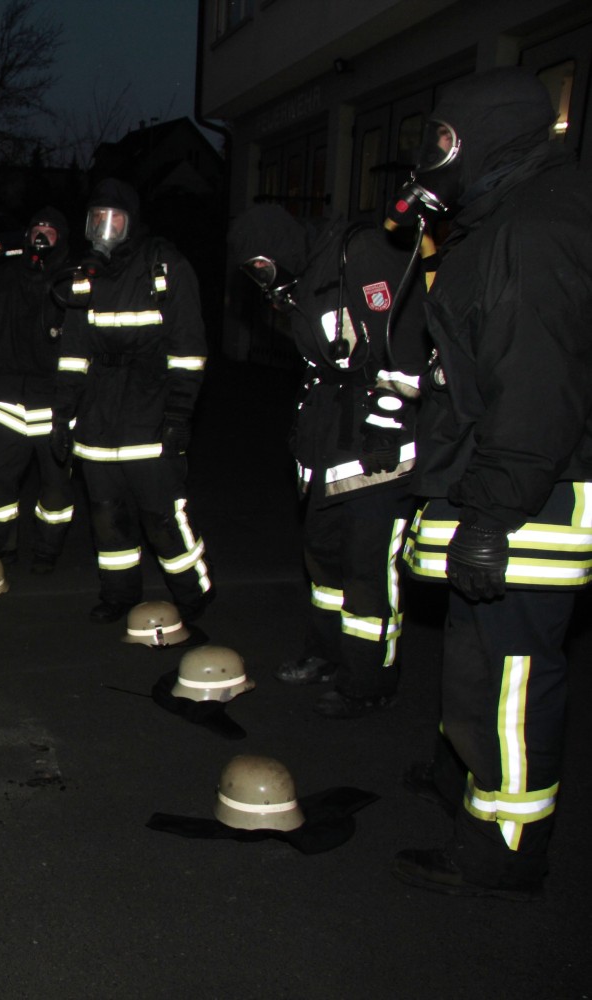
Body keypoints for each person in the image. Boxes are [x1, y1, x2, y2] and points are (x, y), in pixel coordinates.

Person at [390, 67, 592, 899]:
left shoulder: (536, 228)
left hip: (528, 503)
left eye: (447, 141)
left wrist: (492, 513)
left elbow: (539, 385)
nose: (434, 157)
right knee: (476, 666)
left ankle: (504, 850)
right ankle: (468, 785)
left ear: (493, 137)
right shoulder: (509, 216)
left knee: (511, 680)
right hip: (501, 489)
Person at [228, 206, 429, 718]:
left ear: (282, 245)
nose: (261, 276)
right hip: (330, 443)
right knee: (323, 557)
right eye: (252, 270)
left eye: (262, 264)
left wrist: (389, 418)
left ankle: (369, 681)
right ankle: (325, 653)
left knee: (367, 569)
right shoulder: (302, 276)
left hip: (379, 446)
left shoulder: (360, 254)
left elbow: (407, 338)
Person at [55, 179, 213, 624]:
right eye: (96, 220)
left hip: (150, 410)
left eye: (115, 220)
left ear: (133, 222)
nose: (104, 229)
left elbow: (188, 350)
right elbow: (73, 351)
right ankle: (119, 595)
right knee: (107, 517)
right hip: (97, 417)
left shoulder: (165, 266)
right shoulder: (84, 275)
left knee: (162, 517)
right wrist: (63, 415)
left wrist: (179, 413)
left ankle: (194, 595)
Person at [0, 206, 76, 573]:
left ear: (62, 238)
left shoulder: (72, 282)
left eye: (50, 231)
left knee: (56, 491)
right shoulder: (4, 277)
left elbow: (84, 343)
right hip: (7, 403)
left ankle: (47, 552)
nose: (41, 237)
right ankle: (0, 549)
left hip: (54, 407)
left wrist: (75, 398)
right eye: (36, 230)